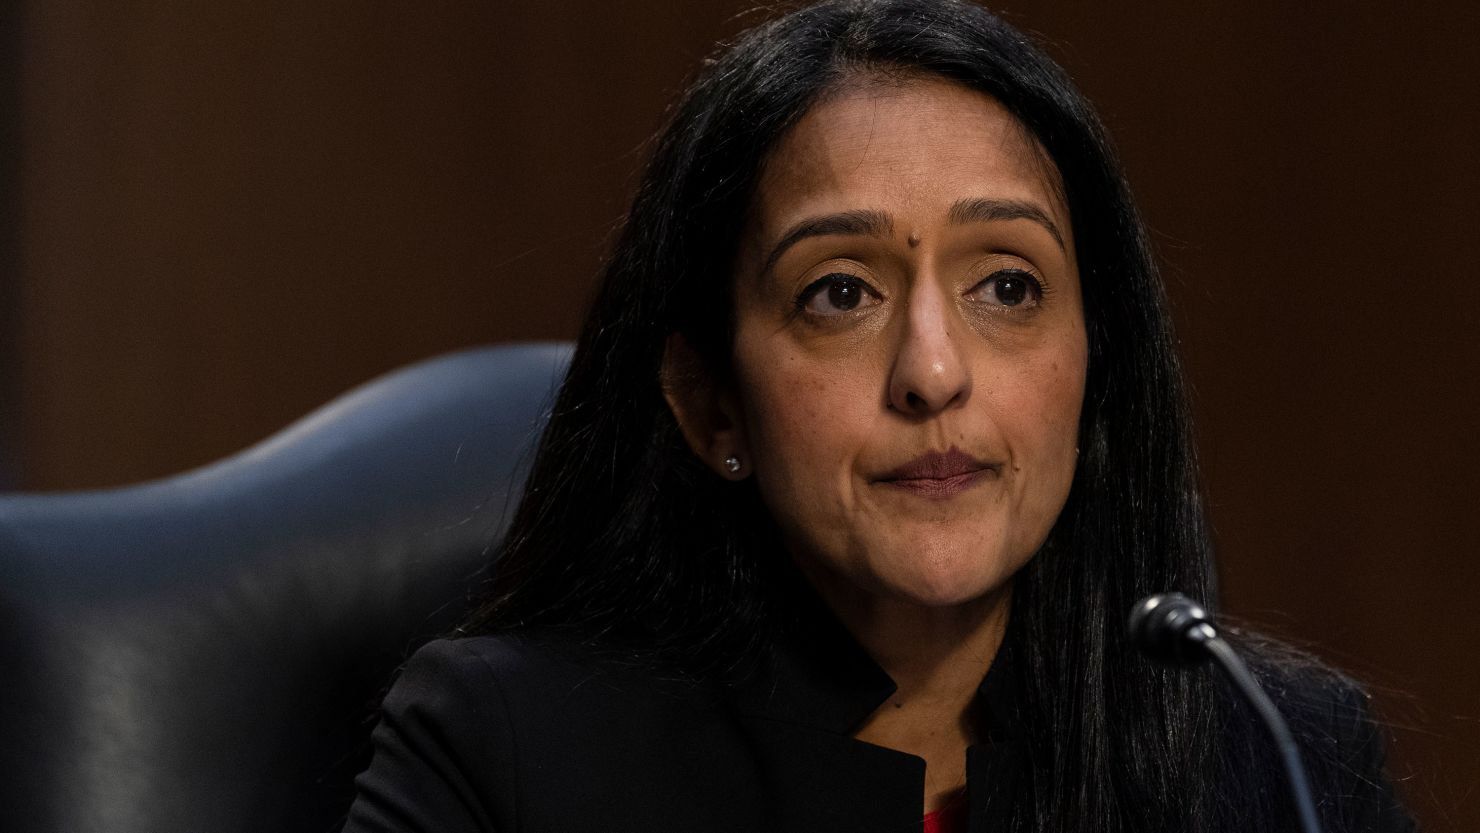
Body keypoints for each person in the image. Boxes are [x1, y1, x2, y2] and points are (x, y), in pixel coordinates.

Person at [343, 1, 1414, 831]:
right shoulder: (511, 752)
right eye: (839, 293)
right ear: (709, 400)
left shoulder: (1282, 757)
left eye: (1007, 285)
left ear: (1097, 367)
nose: (932, 371)